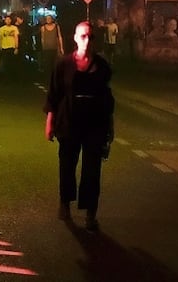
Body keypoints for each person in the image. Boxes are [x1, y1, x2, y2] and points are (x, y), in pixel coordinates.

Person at [44, 21, 114, 232]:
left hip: (94, 124)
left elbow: (107, 99)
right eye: (83, 36)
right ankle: (65, 203)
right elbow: (54, 95)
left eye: (91, 37)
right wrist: (50, 122)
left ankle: (90, 214)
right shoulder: (63, 65)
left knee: (92, 170)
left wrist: (110, 128)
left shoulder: (102, 66)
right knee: (67, 165)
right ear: (75, 38)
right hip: (69, 121)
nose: (87, 41)